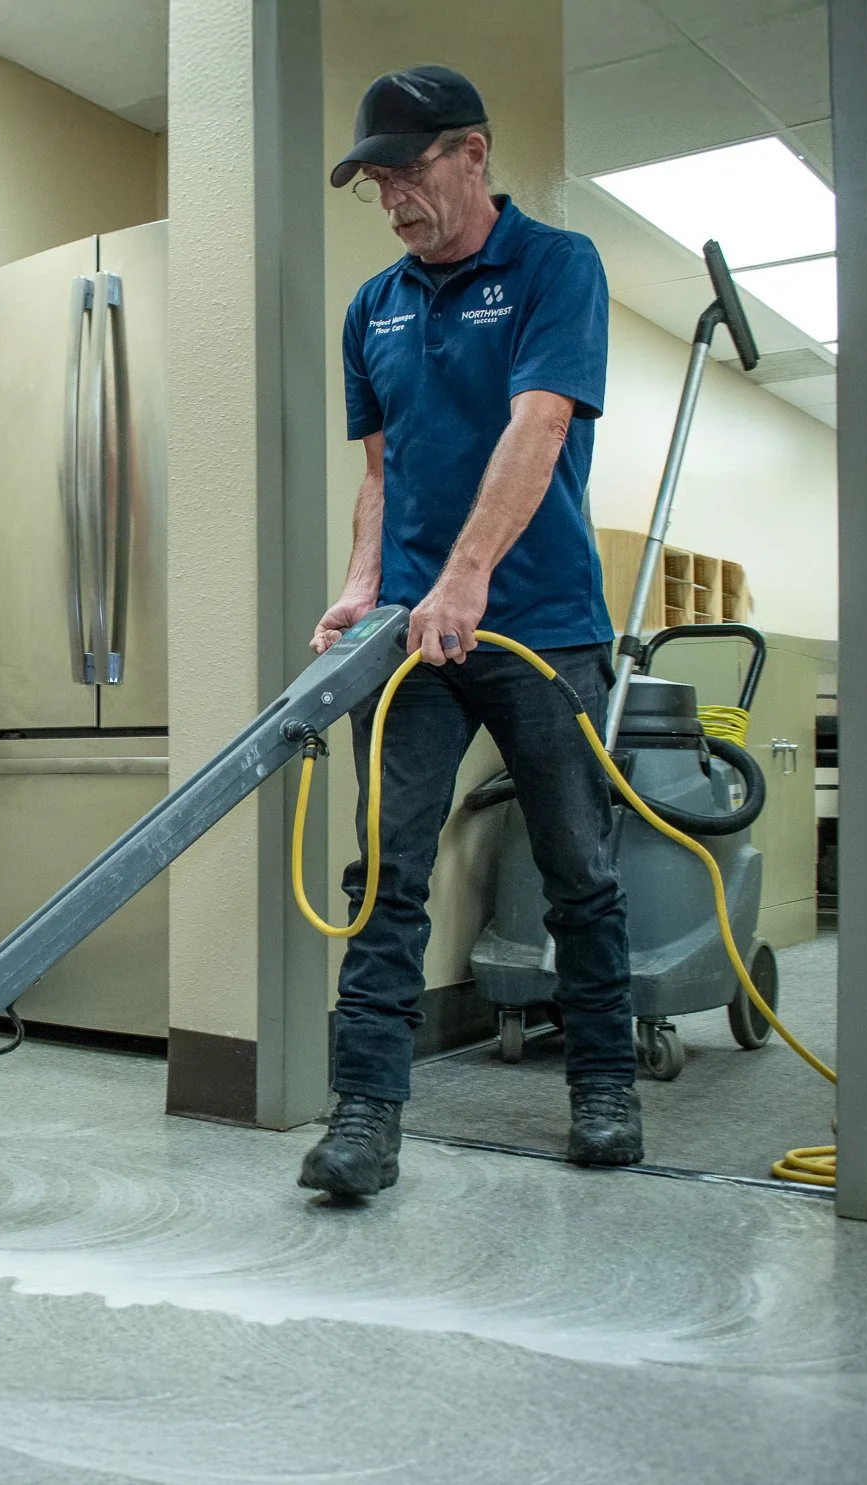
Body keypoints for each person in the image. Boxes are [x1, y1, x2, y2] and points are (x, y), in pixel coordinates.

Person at [299, 64, 639, 1197]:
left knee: (576, 869)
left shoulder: (557, 267)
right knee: (386, 874)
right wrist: (362, 585)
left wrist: (465, 579)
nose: (392, 196)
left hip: (542, 628)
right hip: (411, 640)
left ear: (472, 155)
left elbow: (538, 425)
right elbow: (383, 469)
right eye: (375, 180)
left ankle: (601, 1084)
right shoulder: (374, 306)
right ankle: (364, 1116)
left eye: (408, 169)